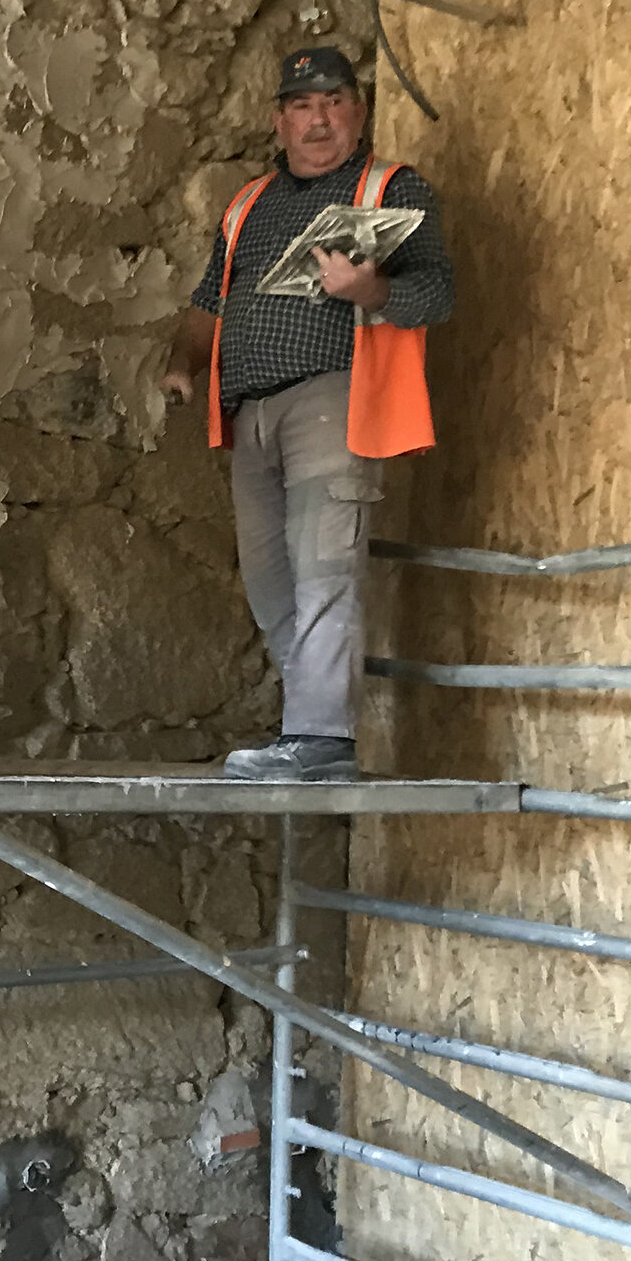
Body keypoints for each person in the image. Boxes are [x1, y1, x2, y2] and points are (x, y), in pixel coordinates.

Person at [158, 46, 454, 783]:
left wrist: (370, 291)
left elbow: (439, 294)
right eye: (302, 105)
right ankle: (306, 733)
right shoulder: (248, 203)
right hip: (249, 411)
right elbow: (209, 302)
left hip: (333, 395)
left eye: (334, 101)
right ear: (279, 120)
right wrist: (179, 366)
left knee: (324, 561)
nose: (319, 119)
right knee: (269, 580)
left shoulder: (392, 189)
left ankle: (322, 737)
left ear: (359, 111)